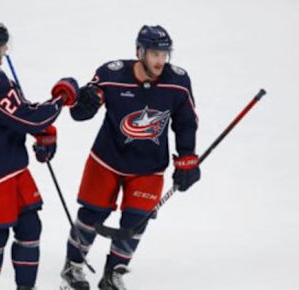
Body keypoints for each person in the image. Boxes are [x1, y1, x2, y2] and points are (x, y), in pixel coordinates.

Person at [59, 25, 201, 290]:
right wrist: (84, 103)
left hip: (149, 167)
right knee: (91, 214)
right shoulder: (111, 74)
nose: (160, 60)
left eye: (164, 54)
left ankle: (113, 273)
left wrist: (187, 158)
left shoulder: (178, 82)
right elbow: (81, 113)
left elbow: (185, 122)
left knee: (136, 222)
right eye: (154, 53)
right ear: (139, 52)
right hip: (107, 160)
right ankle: (73, 266)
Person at [0, 18, 79, 290]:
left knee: (30, 226)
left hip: (9, 162)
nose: (5, 51)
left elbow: (14, 111)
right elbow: (26, 118)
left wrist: (42, 130)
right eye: (0, 47)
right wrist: (61, 99)